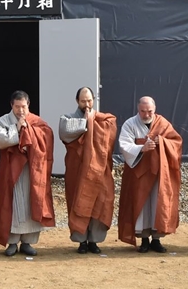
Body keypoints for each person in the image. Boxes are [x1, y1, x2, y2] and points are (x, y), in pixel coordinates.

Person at [0, 90, 55, 256]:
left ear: (28, 105)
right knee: (11, 204)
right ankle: (11, 243)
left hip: (31, 170)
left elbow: (46, 136)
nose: (21, 110)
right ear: (11, 105)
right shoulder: (2, 121)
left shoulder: (37, 121)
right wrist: (16, 128)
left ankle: (27, 242)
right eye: (17, 106)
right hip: (10, 170)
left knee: (31, 202)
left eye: (24, 106)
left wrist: (30, 132)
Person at [117, 96, 182, 253]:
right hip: (139, 173)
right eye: (143, 111)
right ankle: (144, 239)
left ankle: (156, 239)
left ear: (155, 109)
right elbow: (124, 145)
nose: (146, 115)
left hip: (159, 172)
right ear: (138, 109)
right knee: (142, 204)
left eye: (149, 111)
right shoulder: (130, 124)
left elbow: (176, 142)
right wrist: (141, 148)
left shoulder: (163, 124)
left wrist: (163, 142)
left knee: (157, 204)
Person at [58, 87, 117, 254]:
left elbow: (111, 132)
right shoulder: (67, 118)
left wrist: (92, 120)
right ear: (77, 101)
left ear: (94, 100)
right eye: (83, 101)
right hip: (77, 169)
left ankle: (94, 241)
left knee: (99, 201)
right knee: (78, 200)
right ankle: (81, 241)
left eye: (89, 100)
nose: (87, 104)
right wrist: (87, 122)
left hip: (99, 169)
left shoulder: (103, 120)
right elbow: (64, 132)